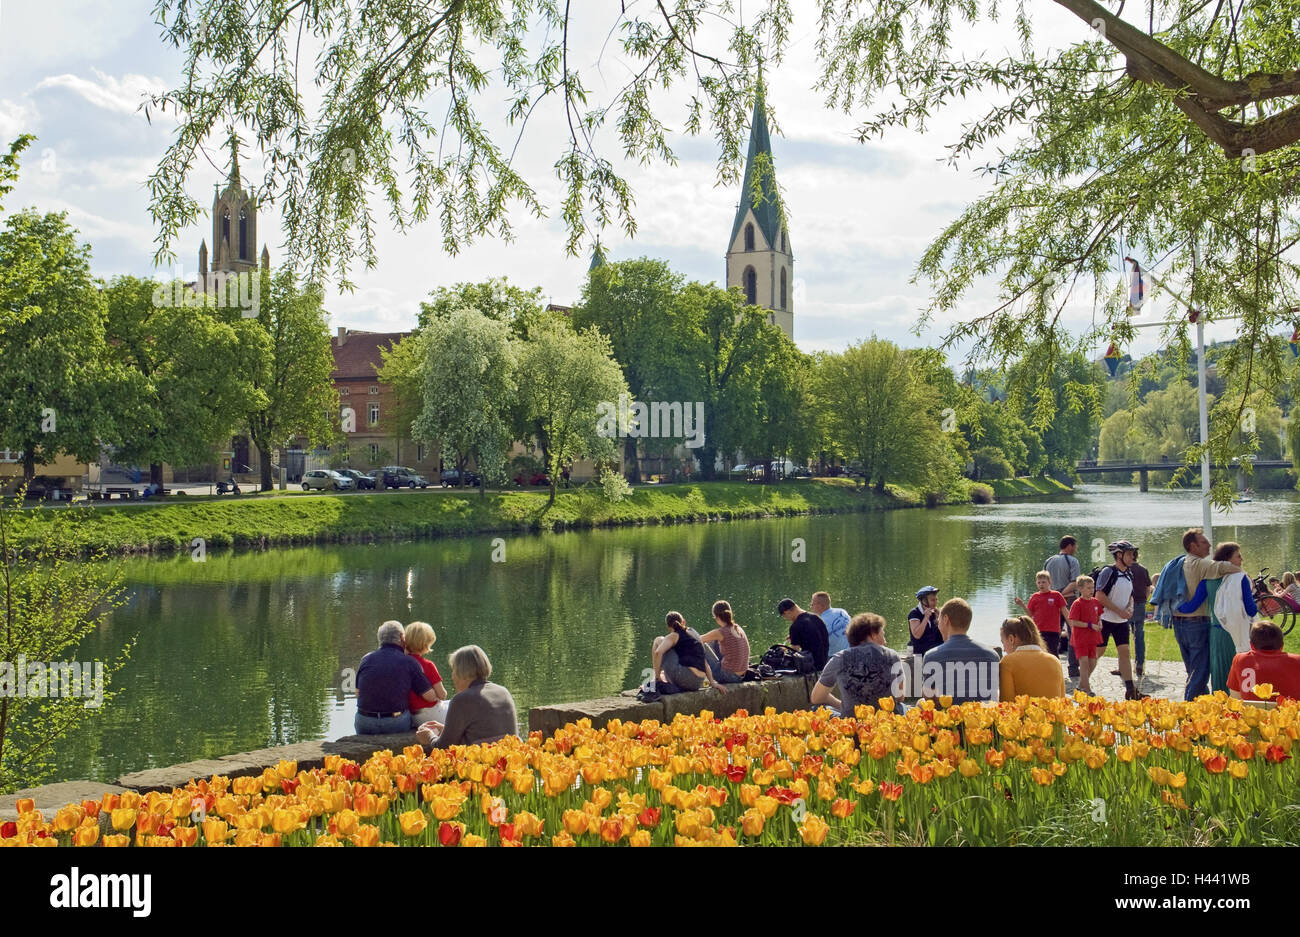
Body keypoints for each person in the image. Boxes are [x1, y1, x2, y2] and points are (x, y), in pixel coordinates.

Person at [1171, 528, 1243, 701]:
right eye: (1204, 542)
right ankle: (1189, 709)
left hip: (1179, 623)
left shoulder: (1179, 563)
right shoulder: (1200, 564)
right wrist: (1241, 572)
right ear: (1192, 546)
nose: (1209, 545)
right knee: (1200, 671)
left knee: (1192, 669)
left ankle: (1201, 706)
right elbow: (1228, 567)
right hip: (1196, 623)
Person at [1178, 541, 1256, 692]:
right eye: (1238, 556)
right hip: (1236, 633)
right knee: (1237, 669)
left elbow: (1192, 606)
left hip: (1216, 633)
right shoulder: (1240, 579)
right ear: (1227, 560)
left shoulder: (1208, 580)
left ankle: (1220, 704)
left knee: (1220, 670)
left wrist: (1174, 606)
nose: (1242, 559)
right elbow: (1251, 609)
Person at [415, 645, 518, 748]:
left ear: (461, 672)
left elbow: (443, 747)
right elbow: (487, 734)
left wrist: (429, 736)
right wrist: (447, 729)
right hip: (509, 760)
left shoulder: (461, 700)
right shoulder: (504, 692)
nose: (452, 676)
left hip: (480, 762)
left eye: (454, 670)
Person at [354, 620, 440, 734]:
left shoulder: (366, 659)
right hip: (395, 723)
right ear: (402, 637)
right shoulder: (409, 662)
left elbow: (358, 693)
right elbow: (430, 696)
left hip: (364, 723)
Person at [811, 613, 903, 716]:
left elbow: (816, 697)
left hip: (853, 723)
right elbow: (900, 697)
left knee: (818, 708)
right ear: (873, 634)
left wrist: (842, 706)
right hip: (885, 720)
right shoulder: (892, 655)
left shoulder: (839, 658)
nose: (885, 641)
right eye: (883, 634)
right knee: (902, 706)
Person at [920, 598, 999, 704]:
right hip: (982, 718)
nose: (938, 625)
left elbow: (928, 698)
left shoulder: (931, 656)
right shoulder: (992, 656)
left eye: (938, 621)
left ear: (946, 619)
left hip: (947, 718)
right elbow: (994, 696)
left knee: (921, 703)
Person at [1094, 540, 1140, 700]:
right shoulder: (1109, 572)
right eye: (1129, 554)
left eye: (1133, 554)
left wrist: (1130, 608)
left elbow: (1131, 595)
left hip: (1121, 622)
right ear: (1119, 555)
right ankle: (1083, 681)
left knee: (1125, 652)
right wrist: (1119, 611)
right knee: (1099, 651)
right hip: (1105, 619)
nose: (1132, 557)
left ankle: (1130, 689)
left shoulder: (1129, 573)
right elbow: (1099, 595)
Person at [651, 611, 728, 694]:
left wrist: (656, 679)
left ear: (668, 626)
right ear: (684, 621)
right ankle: (660, 677)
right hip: (698, 683)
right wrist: (712, 682)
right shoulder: (694, 633)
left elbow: (658, 652)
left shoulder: (674, 636)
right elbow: (704, 661)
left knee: (658, 640)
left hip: (685, 680)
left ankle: (656, 679)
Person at [1227, 622, 1300, 702]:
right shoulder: (1297, 661)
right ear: (1282, 646)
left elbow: (1235, 697)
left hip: (1251, 713)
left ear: (1251, 645)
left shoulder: (1240, 660)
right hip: (1288, 713)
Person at [998, 615, 1065, 700]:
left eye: (1003, 642)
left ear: (1011, 639)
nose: (1003, 649)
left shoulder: (1008, 662)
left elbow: (1006, 702)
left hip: (1026, 713)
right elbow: (1062, 701)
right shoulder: (1055, 661)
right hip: (1053, 713)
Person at [1044, 536, 1082, 677]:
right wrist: (1060, 594)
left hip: (1051, 603)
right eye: (1075, 546)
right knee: (1073, 633)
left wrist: (1054, 594)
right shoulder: (1072, 561)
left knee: (1052, 634)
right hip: (1068, 600)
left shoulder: (1049, 561)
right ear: (1070, 546)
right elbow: (1074, 583)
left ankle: (1051, 666)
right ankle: (1073, 668)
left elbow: (1044, 581)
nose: (1076, 549)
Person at [404, 621, 449, 726]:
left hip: (413, 717)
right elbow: (442, 695)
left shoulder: (401, 663)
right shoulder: (427, 665)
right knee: (462, 705)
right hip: (431, 715)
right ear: (426, 643)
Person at [1014, 571, 1066, 656]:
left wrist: (1071, 625)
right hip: (1038, 630)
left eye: (1044, 582)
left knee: (1053, 653)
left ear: (1049, 582)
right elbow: (1030, 614)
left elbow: (1065, 612)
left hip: (1053, 630)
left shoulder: (1056, 595)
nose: (1041, 584)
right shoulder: (1035, 596)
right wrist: (1022, 604)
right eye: (1039, 582)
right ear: (1036, 583)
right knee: (1040, 653)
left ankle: (1056, 669)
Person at [1067, 576, 1104, 694]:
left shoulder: (1095, 602)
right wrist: (1089, 625)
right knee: (1083, 662)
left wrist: (1099, 622)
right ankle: (1087, 689)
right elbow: (1073, 622)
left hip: (1093, 637)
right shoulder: (1077, 604)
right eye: (1088, 588)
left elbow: (1098, 615)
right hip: (1080, 638)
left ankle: (1081, 684)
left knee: (1093, 662)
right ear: (1080, 589)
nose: (1091, 590)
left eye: (1092, 587)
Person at [698, 600, 750, 684]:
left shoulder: (721, 632)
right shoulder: (738, 628)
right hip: (742, 675)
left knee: (700, 645)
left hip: (727, 676)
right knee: (713, 642)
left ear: (717, 617)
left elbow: (696, 639)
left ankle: (693, 675)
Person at [778, 598, 830, 670]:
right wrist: (795, 637)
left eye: (784, 616)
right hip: (824, 662)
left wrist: (784, 649)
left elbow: (795, 649)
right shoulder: (816, 617)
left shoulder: (795, 626)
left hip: (812, 665)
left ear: (787, 612)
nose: (786, 619)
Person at [811, 591, 851, 657]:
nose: (811, 607)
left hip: (835, 658)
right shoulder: (842, 611)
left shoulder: (819, 622)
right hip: (852, 652)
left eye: (812, 604)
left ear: (819, 606)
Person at [907, 586, 943, 658]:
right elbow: (917, 635)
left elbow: (942, 635)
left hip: (933, 648)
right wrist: (926, 618)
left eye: (936, 599)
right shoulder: (914, 613)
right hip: (920, 651)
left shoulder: (934, 613)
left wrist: (939, 619)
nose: (936, 602)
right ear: (924, 601)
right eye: (933, 600)